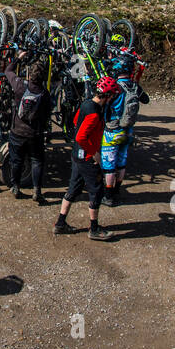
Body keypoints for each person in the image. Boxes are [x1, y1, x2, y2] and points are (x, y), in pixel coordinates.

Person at [54, 76, 117, 241]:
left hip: (77, 155)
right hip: (87, 158)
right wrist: (93, 153)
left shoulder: (86, 103)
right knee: (96, 191)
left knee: (73, 189)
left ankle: (60, 223)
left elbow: (76, 121)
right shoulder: (95, 114)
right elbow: (81, 137)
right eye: (112, 96)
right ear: (108, 95)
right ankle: (94, 229)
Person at [3, 51, 52, 204]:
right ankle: (37, 190)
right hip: (35, 133)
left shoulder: (20, 86)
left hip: (17, 131)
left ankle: (15, 187)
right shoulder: (44, 94)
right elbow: (48, 111)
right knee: (37, 161)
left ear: (30, 74)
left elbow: (8, 71)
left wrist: (18, 57)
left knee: (16, 161)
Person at [101, 55, 145, 206]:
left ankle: (108, 196)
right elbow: (145, 99)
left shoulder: (115, 86)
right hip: (128, 130)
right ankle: (117, 191)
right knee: (121, 162)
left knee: (109, 165)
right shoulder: (134, 86)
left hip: (112, 130)